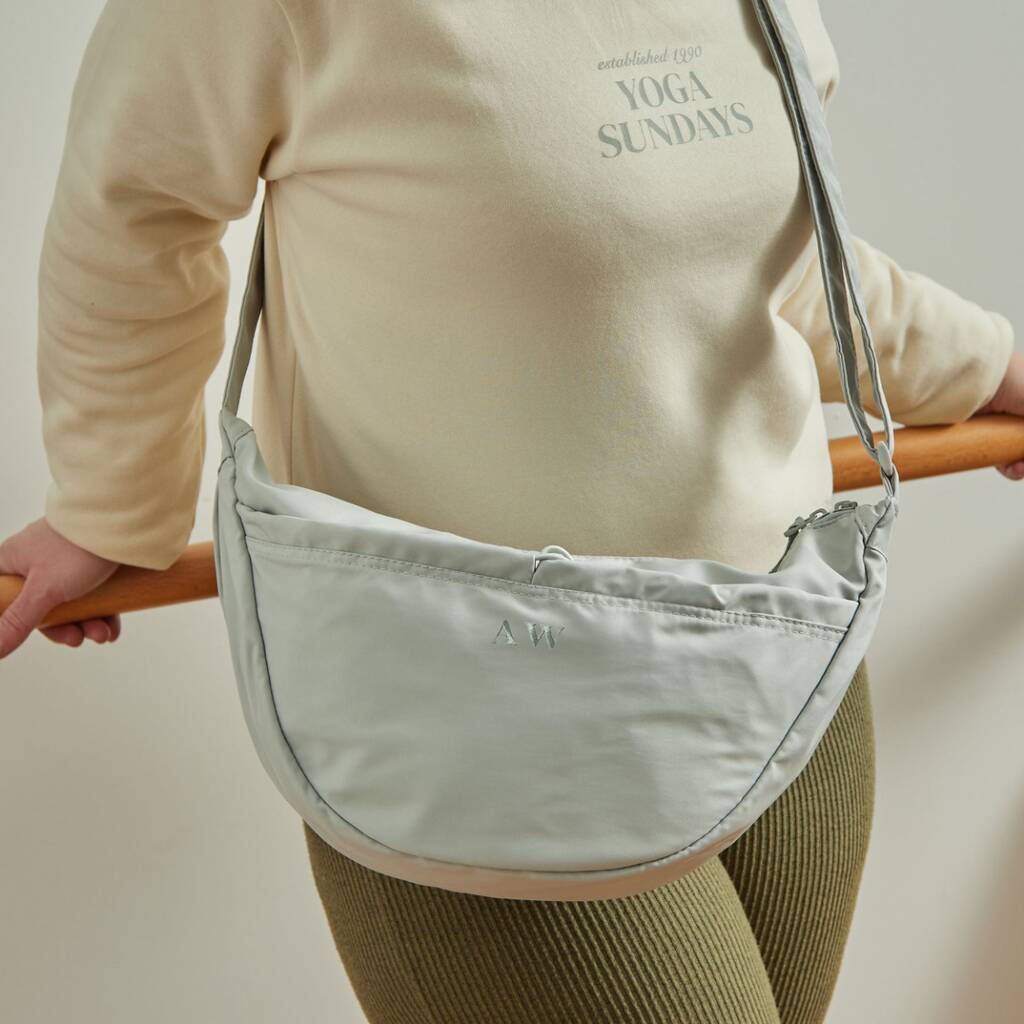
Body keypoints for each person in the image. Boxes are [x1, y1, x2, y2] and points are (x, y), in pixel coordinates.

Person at [2, 0, 1021, 1020]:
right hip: (477, 715)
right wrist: (110, 503)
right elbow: (135, 207)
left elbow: (769, 256)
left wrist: (990, 365)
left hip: (786, 645)